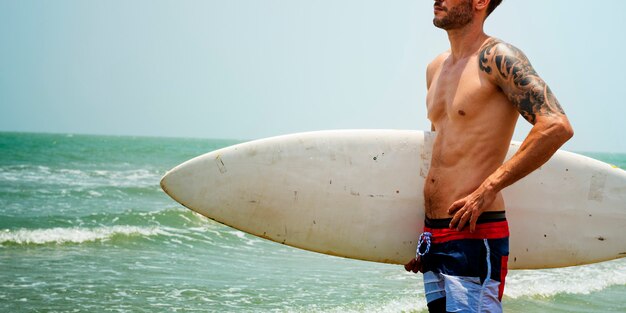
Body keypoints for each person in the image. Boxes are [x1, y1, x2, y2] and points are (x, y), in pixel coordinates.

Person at [404, 0, 574, 312]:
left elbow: (556, 125)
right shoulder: (435, 68)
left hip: (475, 233)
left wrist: (488, 189)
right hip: (434, 235)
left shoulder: (497, 58)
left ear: (480, 2)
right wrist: (426, 235)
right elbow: (442, 152)